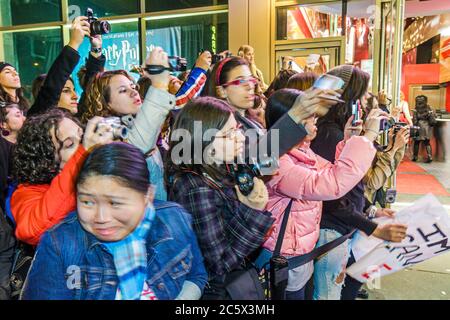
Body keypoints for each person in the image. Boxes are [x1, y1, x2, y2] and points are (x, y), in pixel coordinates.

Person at [22, 142, 208, 300]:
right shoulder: (60, 244)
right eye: (87, 202)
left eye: (116, 203)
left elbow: (196, 275)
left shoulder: (175, 219)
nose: (101, 218)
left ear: (147, 196)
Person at [256, 88, 380, 300]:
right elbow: (331, 184)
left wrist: (348, 141)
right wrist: (368, 138)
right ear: (290, 121)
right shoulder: (278, 161)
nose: (316, 121)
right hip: (282, 259)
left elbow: (330, 172)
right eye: (309, 116)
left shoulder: (302, 151)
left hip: (299, 255)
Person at [310, 65, 408, 300]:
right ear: (347, 97)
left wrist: (370, 209)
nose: (365, 101)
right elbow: (333, 197)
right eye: (362, 94)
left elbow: (353, 186)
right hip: (330, 232)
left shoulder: (342, 132)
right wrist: (374, 227)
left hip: (341, 229)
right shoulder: (329, 135)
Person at [167, 97, 274, 300]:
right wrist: (253, 210)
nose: (241, 138)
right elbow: (219, 263)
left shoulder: (218, 168)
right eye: (228, 135)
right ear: (202, 141)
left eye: (238, 129)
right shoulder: (195, 188)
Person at [11, 109, 114, 245]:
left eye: (82, 137)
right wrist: (83, 153)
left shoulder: (100, 171)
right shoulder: (28, 192)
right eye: (70, 144)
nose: (84, 145)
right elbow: (32, 230)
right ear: (48, 163)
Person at [27, 16, 105, 116]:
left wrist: (96, 48)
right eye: (66, 91)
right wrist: (74, 42)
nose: (75, 96)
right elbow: (54, 84)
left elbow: (91, 88)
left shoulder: (78, 120)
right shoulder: (38, 120)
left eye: (74, 90)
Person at [412, 95, 436, 163]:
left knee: (416, 142)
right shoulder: (430, 108)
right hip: (427, 127)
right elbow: (434, 117)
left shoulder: (416, 109)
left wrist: (415, 127)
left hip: (419, 127)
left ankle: (415, 157)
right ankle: (430, 156)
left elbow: (415, 120)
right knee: (427, 143)